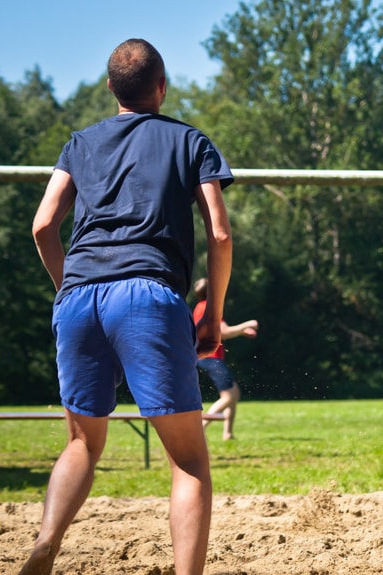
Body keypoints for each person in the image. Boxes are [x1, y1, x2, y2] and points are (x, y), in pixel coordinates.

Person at [23, 38, 234, 575]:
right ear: (161, 87)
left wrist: (66, 287)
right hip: (147, 292)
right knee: (187, 457)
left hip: (79, 294)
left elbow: (44, 225)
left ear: (111, 88)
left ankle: (46, 542)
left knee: (82, 443)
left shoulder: (80, 143)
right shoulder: (189, 140)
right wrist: (212, 315)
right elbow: (221, 233)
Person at [192, 277, 259, 441]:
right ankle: (201, 427)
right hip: (211, 357)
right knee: (229, 396)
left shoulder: (199, 307)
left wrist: (242, 332)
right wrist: (246, 324)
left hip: (206, 357)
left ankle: (227, 433)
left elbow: (219, 331)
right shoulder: (209, 307)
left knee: (234, 394)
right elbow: (225, 332)